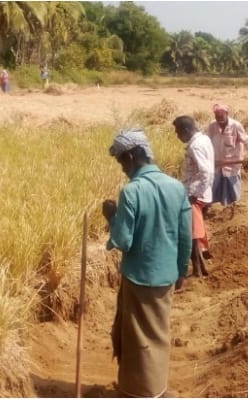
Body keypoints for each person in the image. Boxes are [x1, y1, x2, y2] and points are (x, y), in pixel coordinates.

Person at [103, 129, 192, 397]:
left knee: (137, 338)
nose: (122, 169)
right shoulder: (176, 187)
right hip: (166, 275)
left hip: (139, 276)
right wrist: (181, 272)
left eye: (121, 162)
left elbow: (123, 241)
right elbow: (185, 235)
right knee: (159, 334)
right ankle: (158, 387)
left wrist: (111, 217)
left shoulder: (132, 192)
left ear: (131, 156)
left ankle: (138, 391)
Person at [173, 115, 215, 278]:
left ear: (185, 130)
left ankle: (197, 270)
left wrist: (193, 194)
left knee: (190, 234)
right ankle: (201, 268)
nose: (177, 136)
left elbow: (206, 171)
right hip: (202, 193)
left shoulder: (195, 146)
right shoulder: (204, 139)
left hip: (195, 196)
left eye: (177, 132)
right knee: (194, 232)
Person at [207, 103, 248, 211]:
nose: (219, 120)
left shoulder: (236, 126)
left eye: (221, 117)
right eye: (217, 117)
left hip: (232, 165)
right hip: (216, 164)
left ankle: (234, 212)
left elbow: (247, 141)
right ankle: (214, 212)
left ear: (227, 114)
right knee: (213, 189)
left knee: (232, 192)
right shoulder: (212, 126)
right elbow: (207, 143)